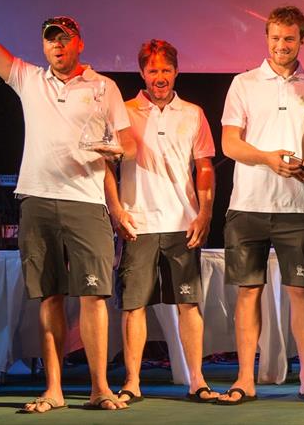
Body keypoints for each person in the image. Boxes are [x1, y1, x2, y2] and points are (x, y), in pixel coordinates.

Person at [0, 0, 134, 412]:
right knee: (49, 297)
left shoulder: (103, 87)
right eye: (50, 39)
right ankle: (54, 390)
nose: (57, 46)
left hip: (85, 202)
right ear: (43, 46)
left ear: (79, 42)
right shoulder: (28, 79)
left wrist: (115, 153)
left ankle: (100, 388)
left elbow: (129, 146)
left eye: (64, 38)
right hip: (37, 201)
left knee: (95, 296)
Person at [217, 6, 304, 405]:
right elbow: (229, 144)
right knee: (248, 292)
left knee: (300, 292)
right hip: (247, 204)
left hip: (298, 207)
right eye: (275, 38)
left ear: (302, 39)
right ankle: (246, 378)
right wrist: (267, 158)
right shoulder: (243, 83)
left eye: (289, 38)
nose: (281, 45)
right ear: (266, 39)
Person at [103, 39, 218, 404]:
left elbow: (204, 166)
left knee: (188, 304)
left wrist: (205, 212)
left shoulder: (193, 113)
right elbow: (106, 165)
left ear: (176, 72)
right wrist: (116, 209)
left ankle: (197, 379)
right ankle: (132, 382)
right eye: (153, 70)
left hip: (182, 223)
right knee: (133, 305)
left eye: (166, 70)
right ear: (142, 73)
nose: (160, 77)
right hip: (137, 223)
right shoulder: (123, 111)